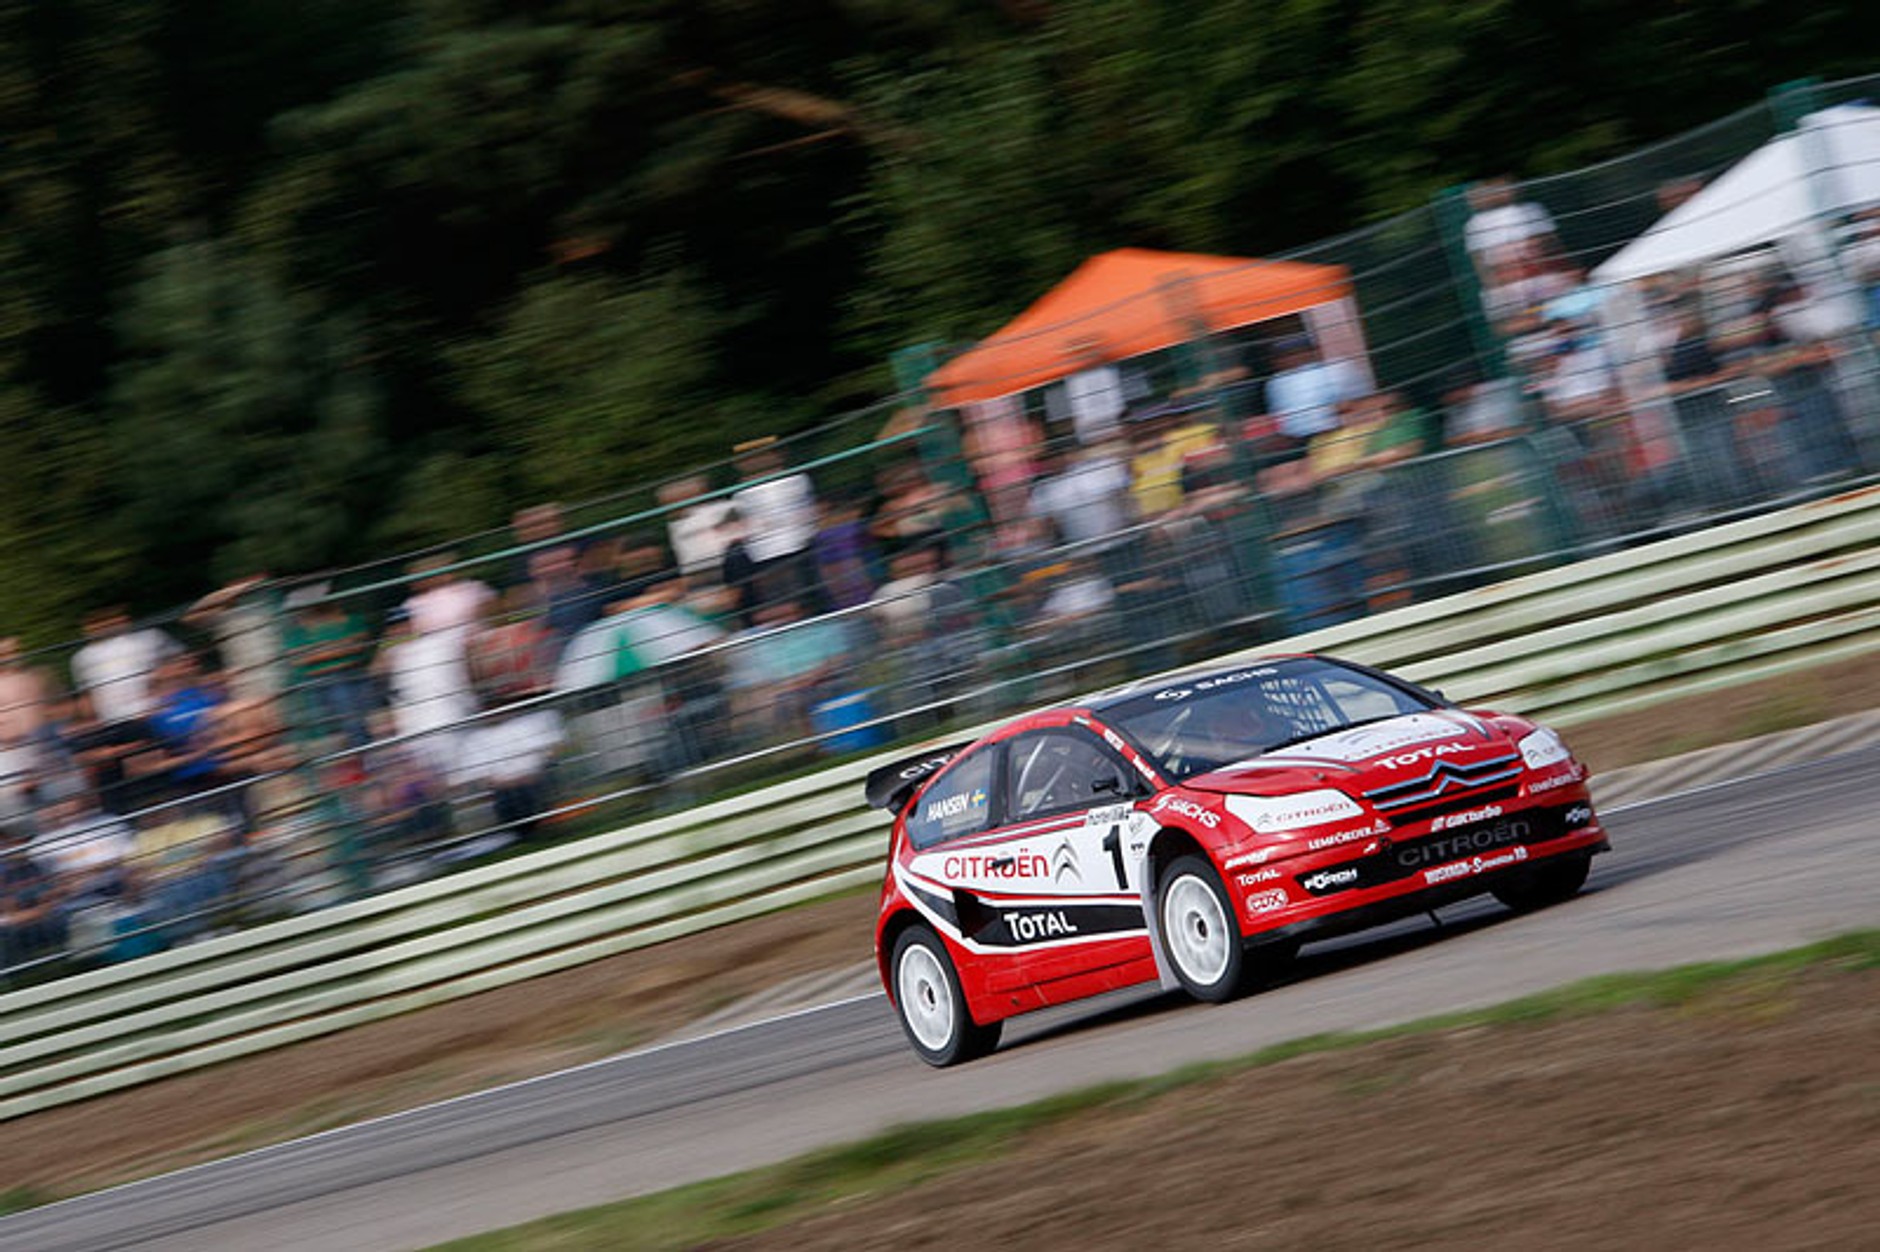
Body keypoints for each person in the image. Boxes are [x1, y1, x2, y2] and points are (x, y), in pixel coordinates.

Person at [70, 608, 180, 726]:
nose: (104, 625)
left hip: (158, 713)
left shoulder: (150, 637)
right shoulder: (81, 657)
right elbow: (86, 697)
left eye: (110, 618)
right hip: (113, 723)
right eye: (96, 622)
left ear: (123, 618)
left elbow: (181, 664)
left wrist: (159, 696)